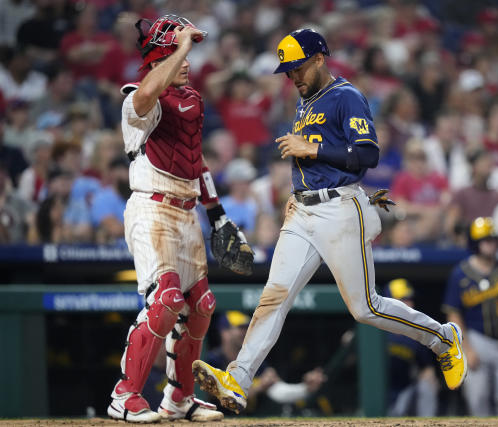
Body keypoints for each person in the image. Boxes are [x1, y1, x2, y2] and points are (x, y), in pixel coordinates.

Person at [192, 28, 467, 415]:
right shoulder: (305, 102)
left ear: (320, 59)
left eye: (299, 67)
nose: (293, 77)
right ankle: (238, 379)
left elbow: (367, 155)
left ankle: (442, 338)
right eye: (288, 71)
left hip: (340, 207)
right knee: (274, 296)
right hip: (302, 210)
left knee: (365, 308)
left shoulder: (346, 96)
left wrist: (312, 147)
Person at [107, 15, 253, 423]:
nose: (187, 60)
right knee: (165, 299)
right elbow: (150, 91)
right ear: (158, 58)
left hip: (188, 210)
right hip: (151, 208)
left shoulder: (190, 99)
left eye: (186, 52)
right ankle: (125, 394)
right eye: (174, 53)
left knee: (201, 305)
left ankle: (179, 398)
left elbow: (194, 159)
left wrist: (217, 213)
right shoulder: (137, 97)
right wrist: (180, 47)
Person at [442, 217, 498, 416]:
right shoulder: (460, 274)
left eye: (493, 239)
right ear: (475, 243)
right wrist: (466, 349)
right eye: (485, 240)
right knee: (477, 401)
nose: (491, 244)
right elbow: (453, 313)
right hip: (477, 341)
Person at [203, 311, 326, 414]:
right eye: (240, 328)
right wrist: (259, 387)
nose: (246, 332)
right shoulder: (212, 359)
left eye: (247, 328)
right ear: (225, 333)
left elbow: (277, 390)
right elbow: (221, 397)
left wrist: (305, 388)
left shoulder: (253, 360)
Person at [384, 279, 439, 417]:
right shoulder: (373, 329)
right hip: (378, 393)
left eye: (410, 299)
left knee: (427, 385)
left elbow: (426, 367)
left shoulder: (416, 334)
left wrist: (430, 378)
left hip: (403, 392)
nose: (410, 304)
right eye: (403, 299)